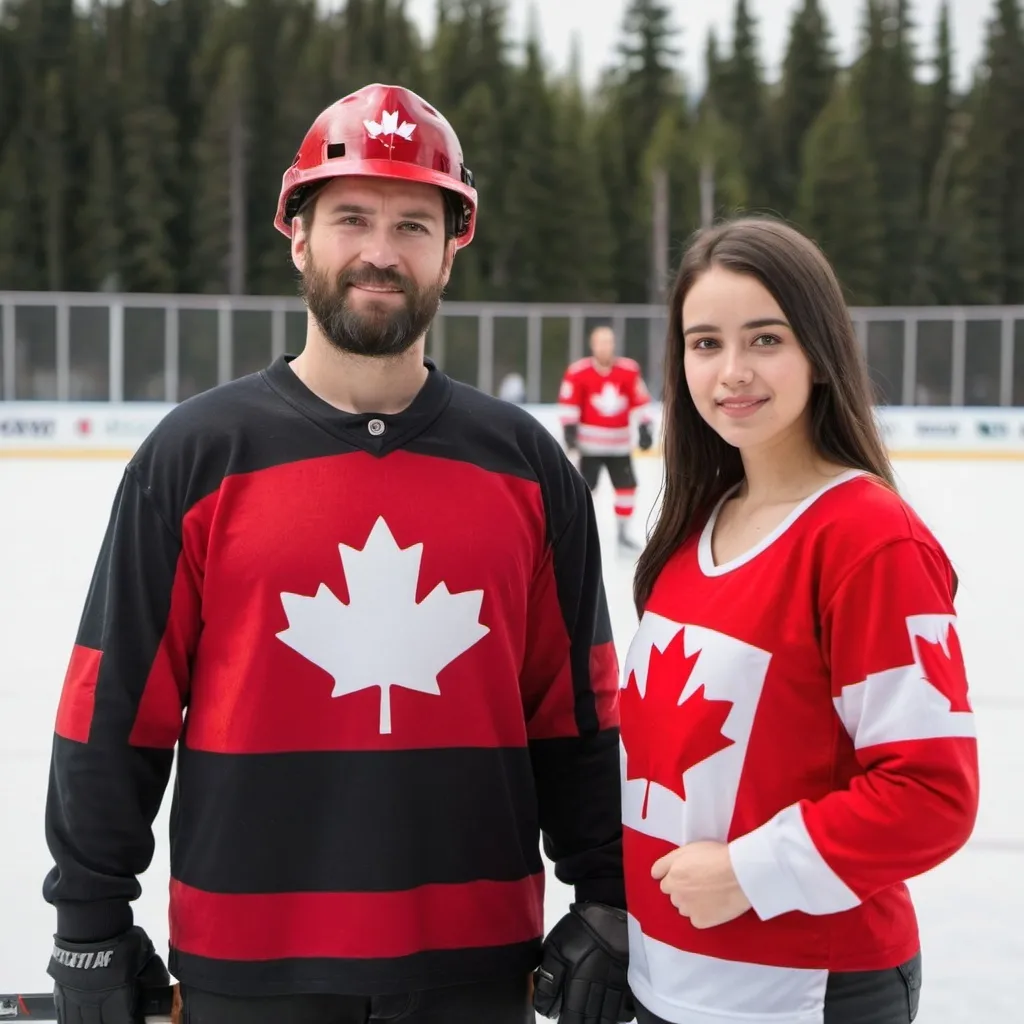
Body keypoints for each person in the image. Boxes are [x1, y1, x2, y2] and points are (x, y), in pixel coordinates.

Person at [41, 83, 634, 1024]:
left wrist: (608, 895)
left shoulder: (527, 467)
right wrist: (88, 917)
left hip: (477, 964)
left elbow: (580, 712)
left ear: (453, 246)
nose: (380, 252)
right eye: (351, 216)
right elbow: (112, 704)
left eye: (412, 224)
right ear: (298, 234)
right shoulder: (194, 459)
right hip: (249, 962)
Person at [620, 217, 979, 1024]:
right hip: (666, 985)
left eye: (766, 339)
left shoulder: (867, 538)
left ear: (818, 353)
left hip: (799, 996)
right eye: (704, 343)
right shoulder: (696, 529)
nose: (732, 371)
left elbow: (932, 792)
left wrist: (751, 873)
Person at [557, 326, 654, 553]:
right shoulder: (578, 372)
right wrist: (570, 431)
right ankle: (580, 534)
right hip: (589, 446)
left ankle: (622, 535)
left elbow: (640, 401)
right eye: (601, 342)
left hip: (619, 446)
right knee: (584, 491)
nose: (605, 346)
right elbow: (569, 402)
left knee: (627, 488)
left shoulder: (629, 370)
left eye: (609, 342)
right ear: (593, 345)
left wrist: (645, 428)